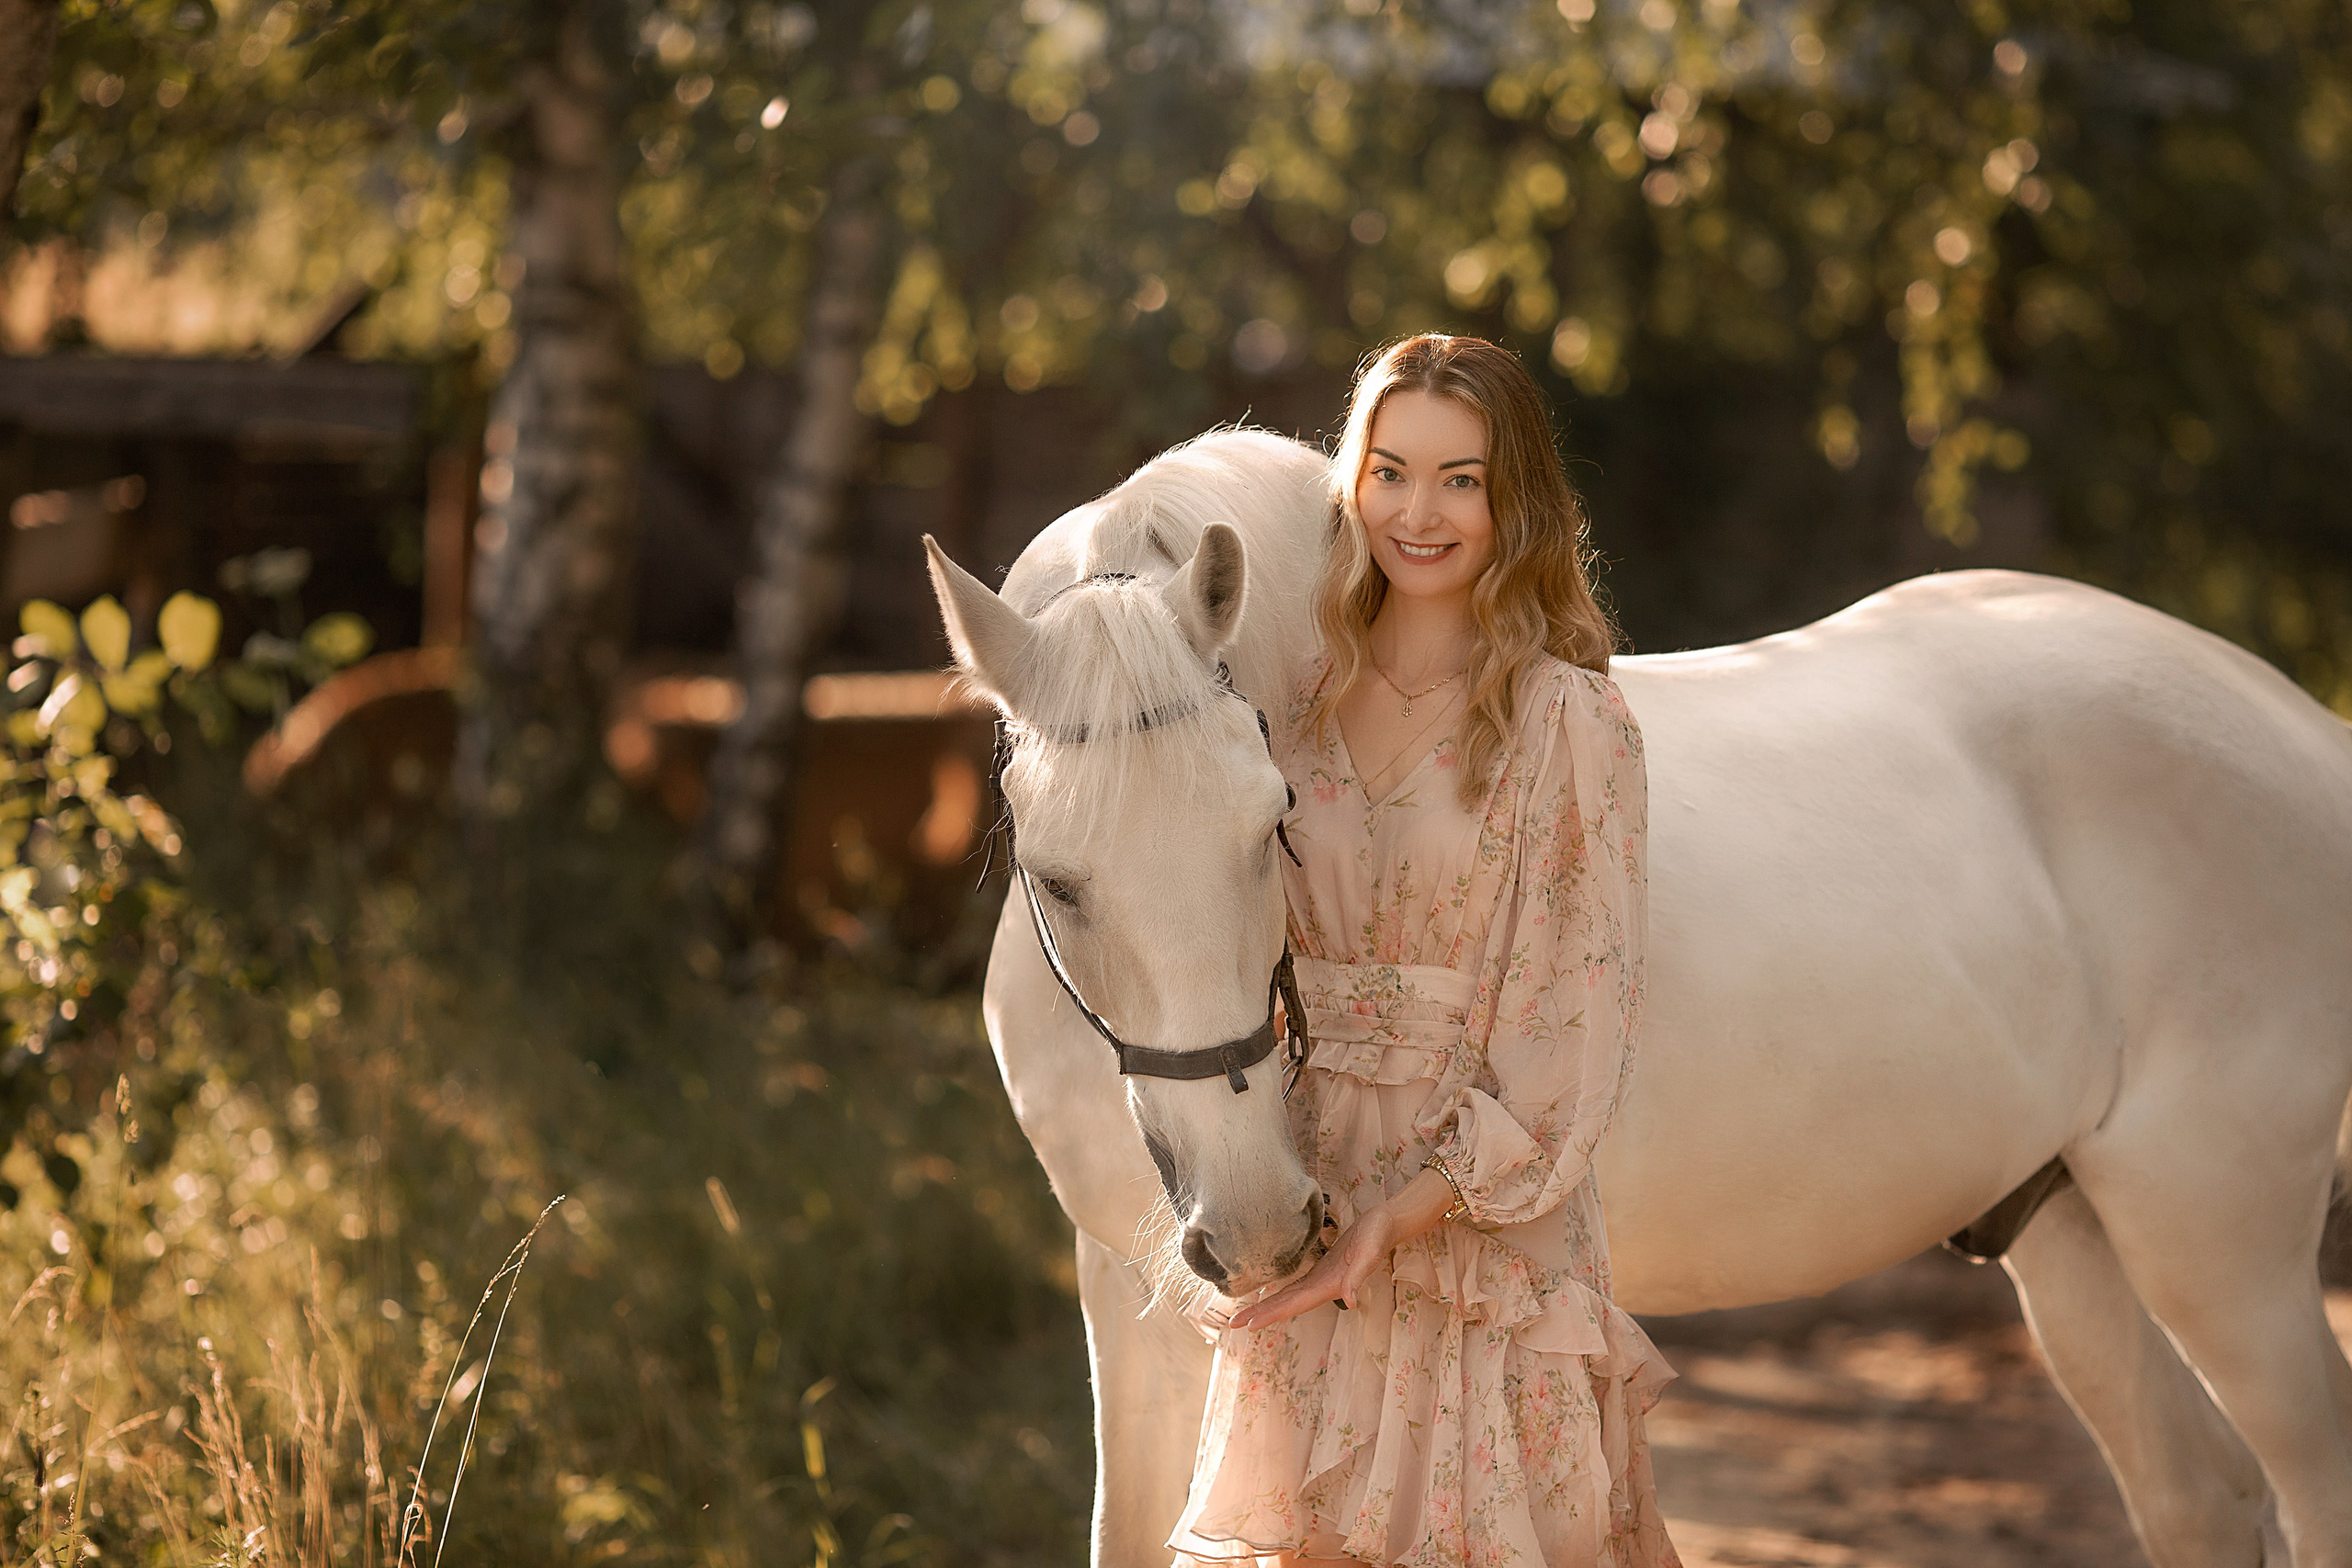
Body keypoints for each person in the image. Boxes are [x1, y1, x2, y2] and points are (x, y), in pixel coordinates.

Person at [1169, 335, 1681, 1568]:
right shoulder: (1290, 700)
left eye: (1463, 478)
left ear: (1519, 501)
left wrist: (1399, 1220)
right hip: (1312, 1184)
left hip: (1477, 1222)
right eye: (1391, 470)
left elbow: (1575, 1024)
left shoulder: (1573, 719)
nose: (1420, 510)